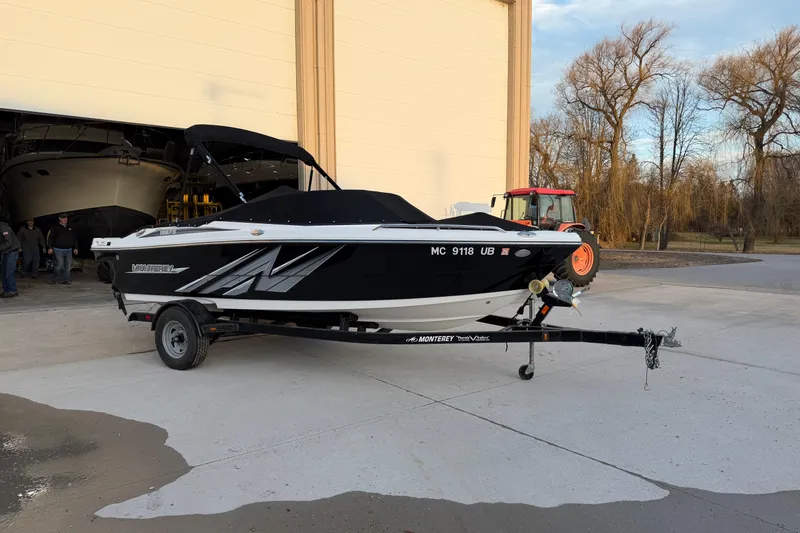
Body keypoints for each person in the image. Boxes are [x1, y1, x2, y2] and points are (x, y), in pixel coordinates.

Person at [46, 213, 78, 285]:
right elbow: (49, 238)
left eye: (66, 217)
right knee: (59, 265)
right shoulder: (54, 227)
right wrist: (50, 247)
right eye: (63, 218)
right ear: (59, 219)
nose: (65, 219)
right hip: (58, 249)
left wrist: (76, 248)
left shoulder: (70, 228)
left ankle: (66, 280)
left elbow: (74, 238)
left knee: (68, 265)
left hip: (69, 249)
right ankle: (56, 279)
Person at [0, 216, 21, 298]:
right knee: (3, 272)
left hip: (11, 252)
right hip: (5, 253)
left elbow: (9, 243)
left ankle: (12, 290)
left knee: (9, 272)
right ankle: (6, 290)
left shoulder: (5, 228)